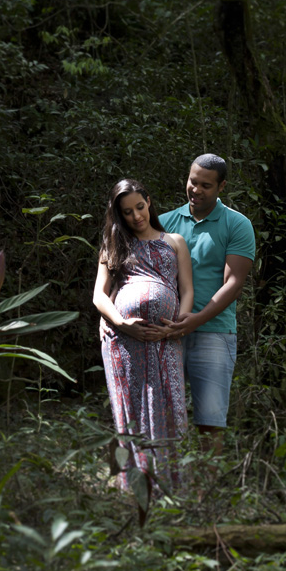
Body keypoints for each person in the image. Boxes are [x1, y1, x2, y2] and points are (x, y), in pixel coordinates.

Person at [93, 178, 194, 493]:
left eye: (140, 207)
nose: (136, 216)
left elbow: (187, 290)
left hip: (166, 337)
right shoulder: (114, 245)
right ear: (119, 215)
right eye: (127, 212)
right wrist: (121, 323)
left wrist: (175, 325)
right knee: (130, 406)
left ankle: (173, 486)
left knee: (169, 404)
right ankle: (135, 487)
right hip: (123, 340)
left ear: (149, 201)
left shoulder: (175, 241)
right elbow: (100, 295)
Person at [159, 154, 255, 454]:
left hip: (214, 332)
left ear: (221, 187)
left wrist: (197, 319)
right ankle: (164, 483)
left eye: (205, 185)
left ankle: (205, 492)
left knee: (210, 420)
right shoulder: (164, 223)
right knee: (161, 415)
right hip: (167, 331)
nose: (196, 190)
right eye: (192, 181)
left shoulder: (237, 224)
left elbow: (234, 283)